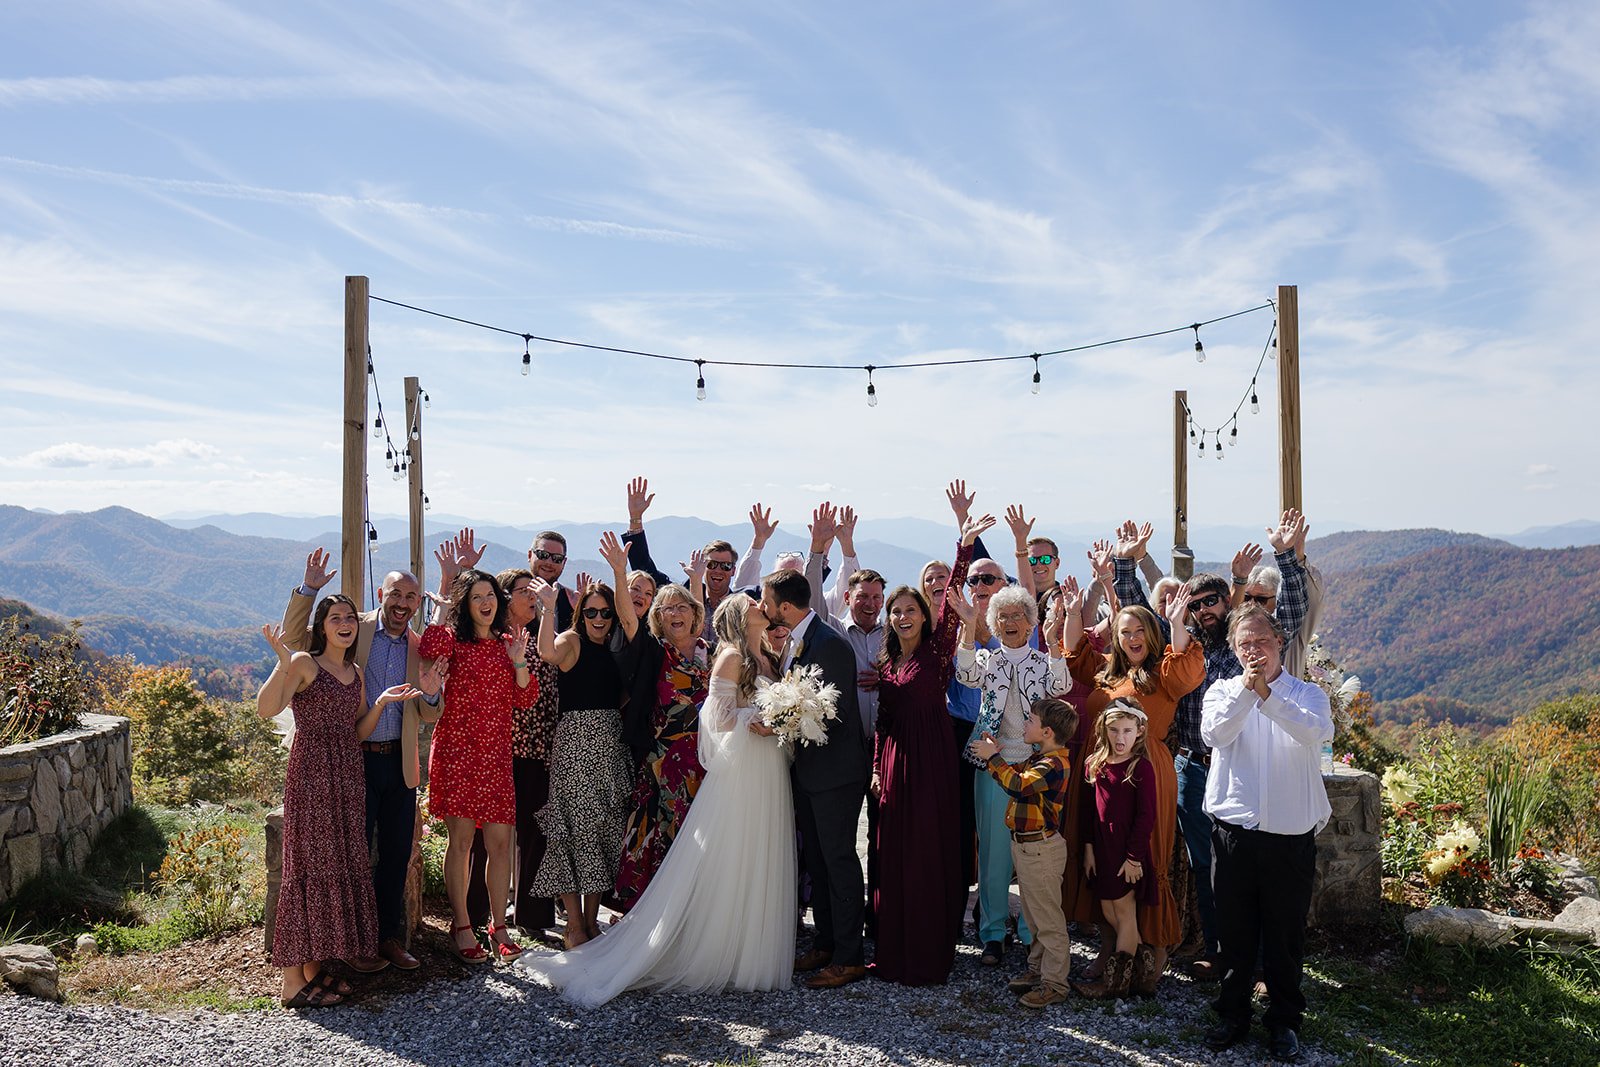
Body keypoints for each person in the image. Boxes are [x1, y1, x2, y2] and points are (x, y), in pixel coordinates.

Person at [516, 594, 795, 1005]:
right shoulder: (723, 655)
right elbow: (715, 716)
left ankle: (743, 946)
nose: (760, 603)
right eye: (751, 601)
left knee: (745, 855)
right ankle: (640, 935)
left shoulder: (766, 657)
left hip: (756, 770)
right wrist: (759, 720)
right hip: (679, 762)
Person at [1112, 512, 1310, 974]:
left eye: (1212, 602)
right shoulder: (1180, 650)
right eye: (1195, 604)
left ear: (1228, 602)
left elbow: (1294, 612)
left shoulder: (1240, 647)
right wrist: (1125, 565)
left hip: (1244, 765)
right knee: (1207, 865)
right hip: (1192, 769)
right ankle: (1220, 953)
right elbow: (1135, 617)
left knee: (1257, 867)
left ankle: (1262, 964)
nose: (1204, 611)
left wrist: (1286, 555)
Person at [257, 597, 423, 1006]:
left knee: (334, 865)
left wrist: (382, 703)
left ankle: (314, 969)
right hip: (313, 777)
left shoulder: (356, 672)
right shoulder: (304, 663)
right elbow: (266, 709)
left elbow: (359, 731)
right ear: (323, 626)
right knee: (307, 868)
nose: (346, 624)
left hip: (347, 777)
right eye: (336, 619)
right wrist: (283, 661)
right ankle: (292, 982)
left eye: (350, 617)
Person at [280, 551, 438, 971]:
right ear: (381, 595)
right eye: (395, 594)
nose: (402, 602)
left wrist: (433, 692)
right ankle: (349, 947)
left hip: (399, 765)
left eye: (411, 596)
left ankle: (386, 938)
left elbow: (427, 713)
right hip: (350, 762)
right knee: (347, 857)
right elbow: (295, 641)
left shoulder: (421, 646)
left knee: (395, 854)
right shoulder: (351, 626)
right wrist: (309, 590)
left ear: (418, 602)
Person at [1201, 605, 1333, 1063]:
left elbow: (1313, 732)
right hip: (1234, 832)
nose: (1253, 651)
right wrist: (1246, 692)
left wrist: (1269, 697)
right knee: (1234, 933)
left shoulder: (1308, 694)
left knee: (1285, 936)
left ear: (1279, 643)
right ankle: (1232, 1015)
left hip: (1289, 835)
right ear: (1234, 649)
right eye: (1244, 644)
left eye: (1261, 641)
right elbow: (1215, 735)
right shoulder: (1219, 690)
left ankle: (1284, 1023)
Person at [870, 513, 994, 986]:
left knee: (928, 850)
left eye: (910, 610)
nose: (902, 617)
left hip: (933, 761)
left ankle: (928, 952)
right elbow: (883, 721)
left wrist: (964, 545)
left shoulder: (937, 651)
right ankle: (895, 948)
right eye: (895, 612)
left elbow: (954, 591)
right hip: (897, 763)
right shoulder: (888, 661)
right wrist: (878, 767)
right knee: (895, 852)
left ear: (925, 614)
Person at [1062, 574, 1201, 996]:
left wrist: (1177, 623)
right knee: (1104, 863)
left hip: (1144, 775)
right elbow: (1073, 657)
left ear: (1153, 635)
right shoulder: (1107, 675)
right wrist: (1072, 613)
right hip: (1101, 776)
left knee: (1141, 863)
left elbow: (1189, 666)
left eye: (1141, 630)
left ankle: (1153, 953)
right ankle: (1111, 950)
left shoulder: (1163, 673)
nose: (1133, 637)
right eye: (1125, 632)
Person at [759, 568, 868, 990]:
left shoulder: (830, 644)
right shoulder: (800, 641)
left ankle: (849, 957)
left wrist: (775, 723)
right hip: (809, 772)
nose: (763, 609)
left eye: (767, 603)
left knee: (839, 860)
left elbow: (828, 712)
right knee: (819, 862)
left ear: (785, 607)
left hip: (836, 774)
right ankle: (825, 943)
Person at [421, 569, 535, 963]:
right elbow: (428, 646)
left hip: (495, 757)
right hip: (458, 753)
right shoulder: (453, 641)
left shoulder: (508, 644)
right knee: (463, 843)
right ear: (465, 605)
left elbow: (526, 698)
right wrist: (444, 593)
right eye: (476, 597)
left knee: (501, 845)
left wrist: (519, 662)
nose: (486, 602)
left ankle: (498, 927)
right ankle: (462, 925)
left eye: (490, 595)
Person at [954, 583, 1067, 969]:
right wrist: (969, 630)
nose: (1010, 622)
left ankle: (1033, 932)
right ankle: (993, 933)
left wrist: (1053, 644)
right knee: (994, 854)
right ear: (994, 623)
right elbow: (966, 675)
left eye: (1018, 615)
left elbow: (1062, 686)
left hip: (1037, 768)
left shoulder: (1041, 660)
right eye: (1002, 616)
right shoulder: (988, 660)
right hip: (993, 764)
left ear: (1030, 622)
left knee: (1034, 853)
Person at [604, 530, 714, 913]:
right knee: (657, 840)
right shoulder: (653, 652)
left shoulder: (710, 654)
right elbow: (624, 616)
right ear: (658, 618)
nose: (676, 613)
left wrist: (697, 581)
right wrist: (621, 573)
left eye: (682, 607)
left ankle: (690, 918)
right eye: (667, 608)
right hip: (662, 763)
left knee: (698, 842)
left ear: (695, 613)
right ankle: (652, 919)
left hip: (705, 764)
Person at [530, 572, 633, 948]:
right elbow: (547, 653)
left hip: (609, 746)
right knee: (572, 833)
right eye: (591, 612)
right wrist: (547, 608)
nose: (599, 619)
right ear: (580, 614)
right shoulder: (572, 640)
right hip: (574, 745)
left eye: (605, 612)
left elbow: (624, 693)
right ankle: (574, 925)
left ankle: (591, 923)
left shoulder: (617, 647)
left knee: (602, 832)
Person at [970, 695, 1078, 1009]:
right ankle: (1037, 970)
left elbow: (1018, 784)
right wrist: (996, 754)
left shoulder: (1053, 764)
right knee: (1032, 915)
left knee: (1048, 919)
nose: (1025, 723)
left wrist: (993, 758)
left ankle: (1055, 983)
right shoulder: (1039, 757)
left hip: (1041, 850)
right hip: (1028, 848)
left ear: (1047, 732)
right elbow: (1013, 774)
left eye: (1030, 719)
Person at [1072, 700, 1158, 1000]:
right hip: (1103, 848)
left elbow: (1146, 816)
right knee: (1109, 909)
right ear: (1103, 730)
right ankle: (1139, 974)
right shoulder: (1095, 763)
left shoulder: (1140, 767)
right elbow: (1089, 813)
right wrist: (1089, 849)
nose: (1120, 737)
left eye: (1127, 730)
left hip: (1126, 852)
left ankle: (1115, 984)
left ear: (1139, 732)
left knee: (1123, 911)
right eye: (1113, 730)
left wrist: (1134, 858)